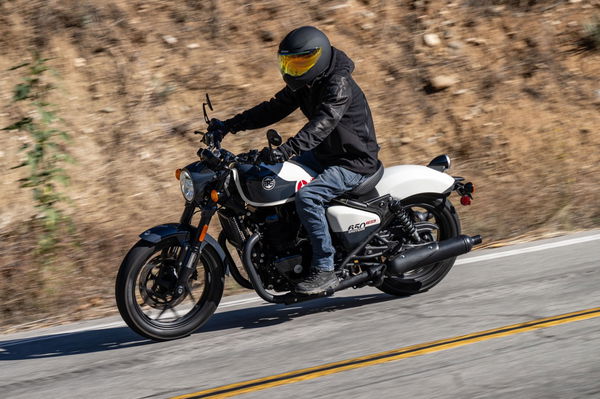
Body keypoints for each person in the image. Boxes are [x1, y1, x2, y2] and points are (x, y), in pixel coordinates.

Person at [209, 26, 380, 294]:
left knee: (308, 197)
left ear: (319, 58)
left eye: (301, 62)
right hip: (324, 156)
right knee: (274, 178)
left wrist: (288, 149)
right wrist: (230, 125)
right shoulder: (306, 83)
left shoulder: (338, 84)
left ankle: (325, 269)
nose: (293, 69)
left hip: (353, 161)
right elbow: (272, 108)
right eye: (289, 62)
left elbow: (323, 124)